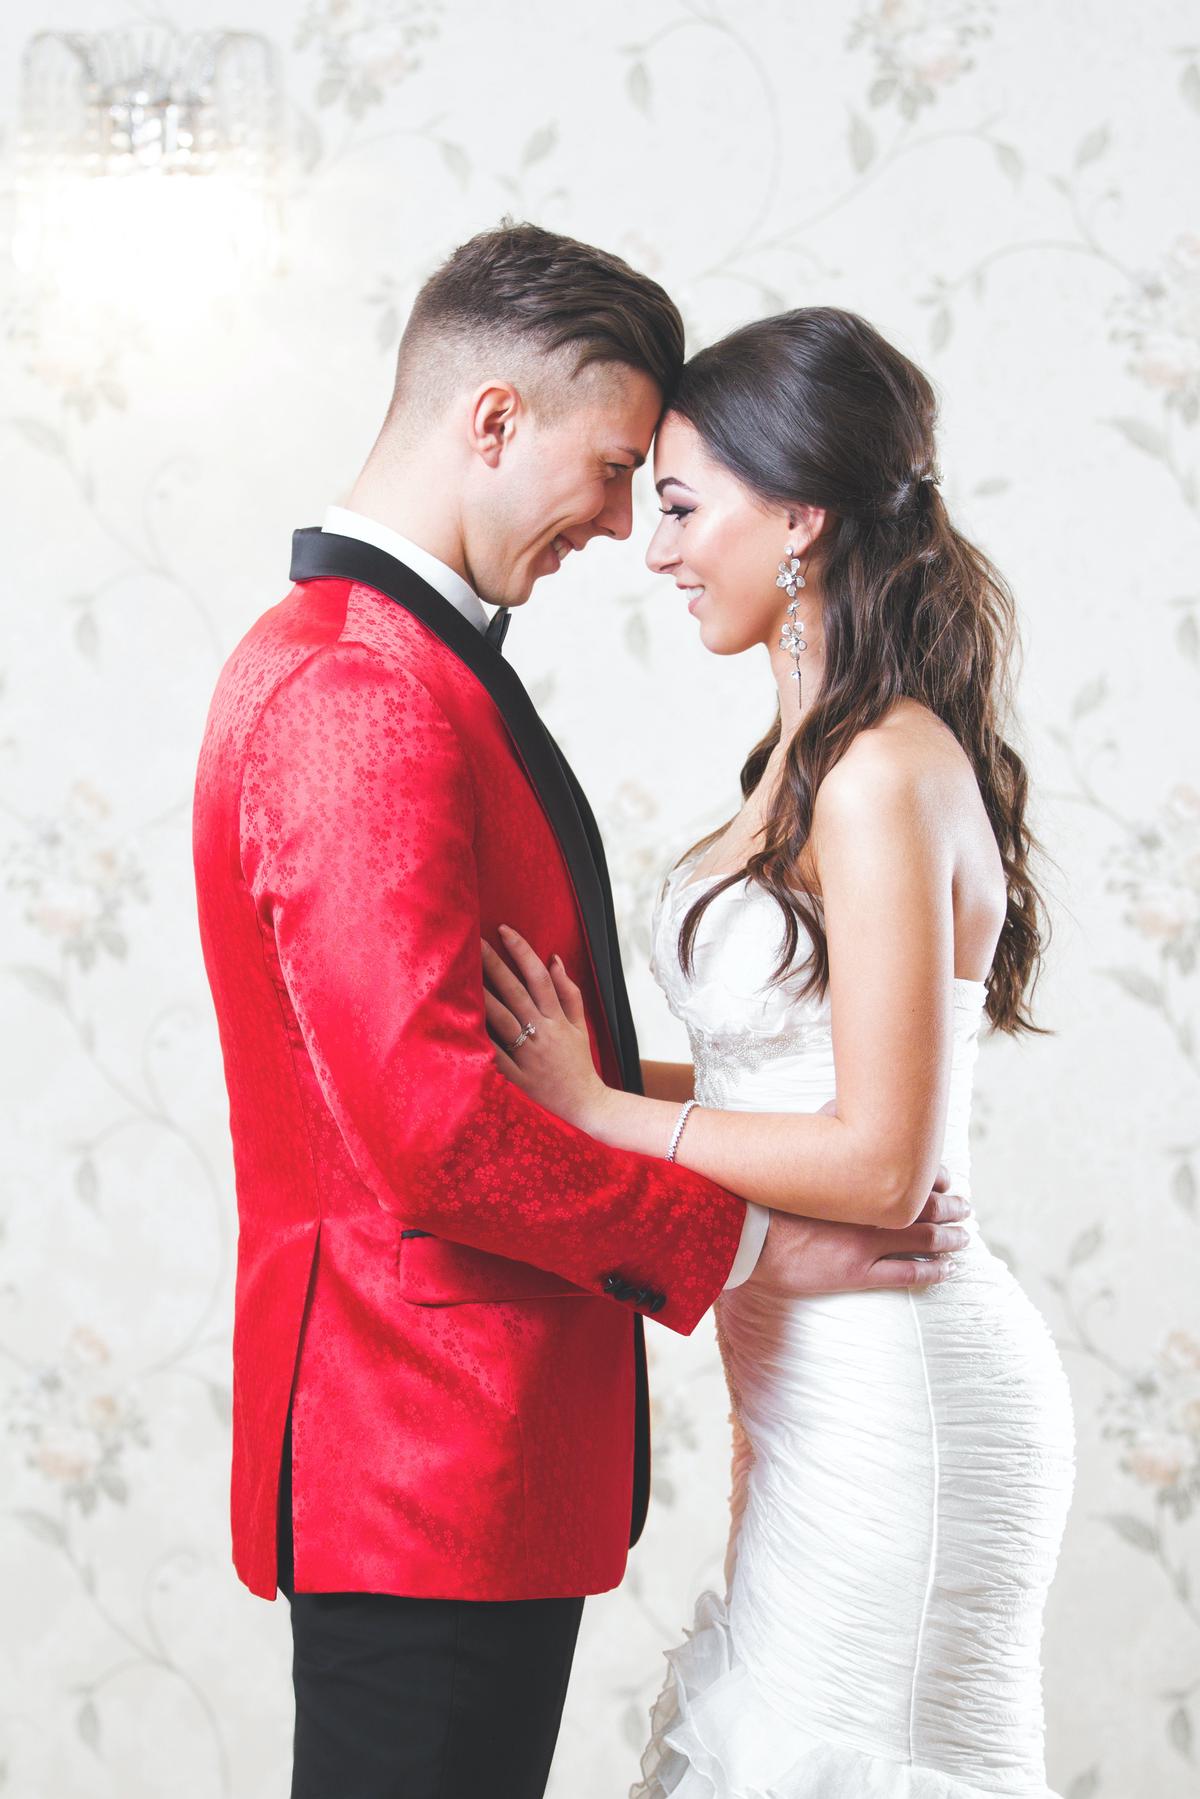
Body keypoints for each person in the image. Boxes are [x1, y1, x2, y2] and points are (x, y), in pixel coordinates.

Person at [191, 230, 968, 1799]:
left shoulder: (403, 668)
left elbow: (522, 1068)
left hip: (453, 1458)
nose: (626, 526)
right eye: (616, 470)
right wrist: (748, 1243)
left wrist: (674, 1122)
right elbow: (436, 1128)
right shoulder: (361, 690)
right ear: (493, 422)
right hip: (419, 1452)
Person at [480, 306, 1076, 1797]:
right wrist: (583, 1089)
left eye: (682, 506)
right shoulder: (814, 756)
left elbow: (881, 1162)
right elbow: (786, 1083)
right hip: (809, 1381)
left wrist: (601, 1111)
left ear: (798, 511)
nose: (655, 547)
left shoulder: (881, 774)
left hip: (900, 1378)